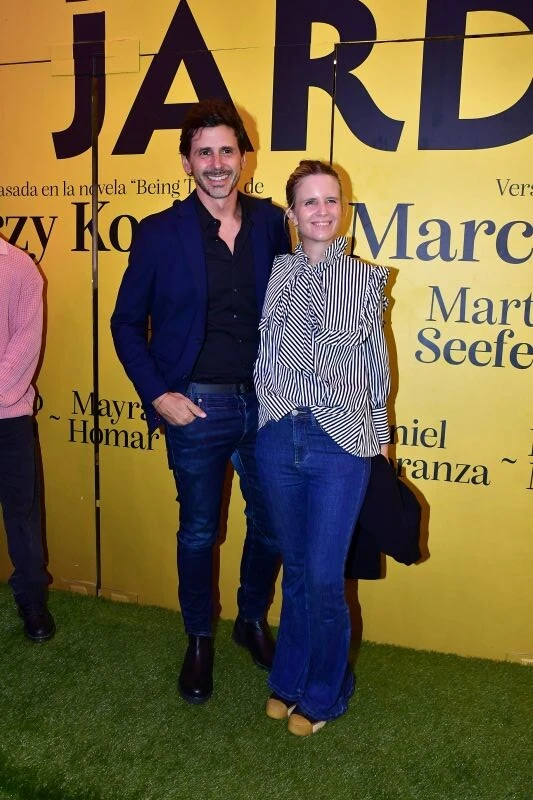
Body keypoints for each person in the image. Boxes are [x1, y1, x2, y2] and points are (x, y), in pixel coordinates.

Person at [111, 99, 290, 704]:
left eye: (226, 151)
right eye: (204, 152)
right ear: (187, 162)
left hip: (266, 405)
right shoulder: (159, 232)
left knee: (272, 526)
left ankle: (250, 620)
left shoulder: (272, 224)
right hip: (195, 407)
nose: (217, 163)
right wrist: (159, 394)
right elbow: (125, 323)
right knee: (198, 532)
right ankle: (199, 639)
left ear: (244, 158)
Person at [254, 160, 391, 735]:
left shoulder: (365, 277)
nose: (321, 210)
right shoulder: (275, 273)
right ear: (291, 213)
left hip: (341, 441)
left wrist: (377, 441)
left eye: (331, 200)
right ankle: (288, 680)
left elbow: (377, 368)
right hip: (279, 436)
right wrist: (267, 418)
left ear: (344, 209)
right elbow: (264, 354)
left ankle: (325, 694)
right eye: (309, 201)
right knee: (296, 571)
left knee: (325, 579)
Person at [0, 238, 55, 643]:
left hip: (9, 419)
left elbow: (25, 344)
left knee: (22, 516)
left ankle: (32, 600)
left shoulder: (19, 267)